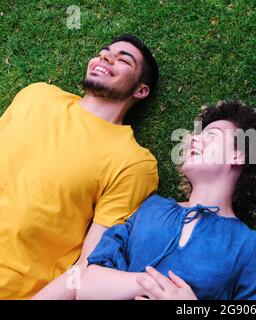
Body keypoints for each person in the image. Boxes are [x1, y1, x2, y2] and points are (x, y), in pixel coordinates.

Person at [76, 101, 256, 300]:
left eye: (212, 135)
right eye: (196, 136)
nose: (194, 139)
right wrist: (151, 285)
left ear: (239, 155)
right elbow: (85, 285)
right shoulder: (151, 207)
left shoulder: (253, 247)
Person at [0, 34, 159, 299]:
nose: (105, 57)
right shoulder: (37, 95)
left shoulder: (134, 162)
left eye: (124, 60)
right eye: (104, 52)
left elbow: (87, 266)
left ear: (140, 90)